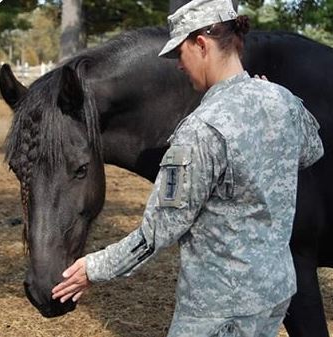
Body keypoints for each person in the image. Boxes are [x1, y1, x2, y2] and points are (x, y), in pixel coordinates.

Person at [52, 0, 324, 336]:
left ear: (201, 44)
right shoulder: (281, 100)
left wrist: (93, 268)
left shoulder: (201, 130)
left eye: (180, 53)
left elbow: (158, 233)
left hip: (218, 308)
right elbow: (312, 151)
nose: (179, 66)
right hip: (274, 293)